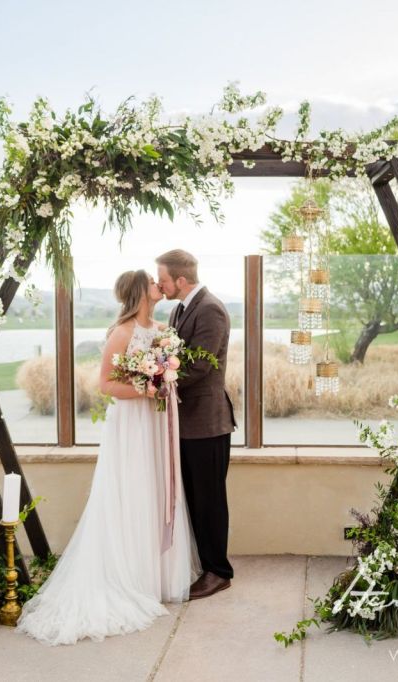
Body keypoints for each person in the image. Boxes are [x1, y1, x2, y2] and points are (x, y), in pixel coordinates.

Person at [16, 269, 201, 646]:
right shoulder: (122, 332)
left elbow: (166, 372)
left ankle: (155, 576)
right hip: (133, 424)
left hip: (156, 423)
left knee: (155, 488)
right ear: (141, 291)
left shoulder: (162, 327)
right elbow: (105, 385)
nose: (158, 284)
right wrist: (149, 389)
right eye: (152, 281)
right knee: (133, 488)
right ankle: (129, 577)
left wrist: (164, 378)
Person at [155, 249, 238, 600]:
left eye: (162, 279)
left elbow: (200, 366)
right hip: (186, 423)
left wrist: (156, 382)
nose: (159, 285)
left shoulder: (211, 309)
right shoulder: (178, 309)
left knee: (210, 499)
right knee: (193, 498)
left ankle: (219, 572)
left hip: (208, 423)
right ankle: (204, 564)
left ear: (181, 279)